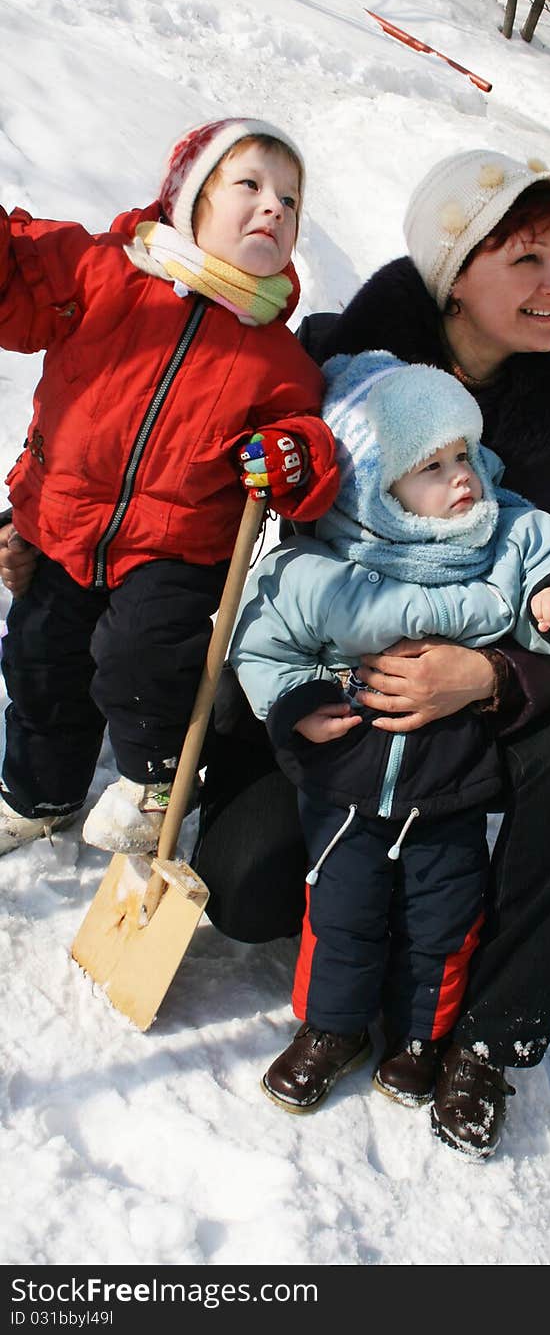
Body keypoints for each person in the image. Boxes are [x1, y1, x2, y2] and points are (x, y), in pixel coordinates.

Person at [192, 147, 550, 1159]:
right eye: (525, 258)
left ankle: (487, 1034)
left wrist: (492, 676)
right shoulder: (341, 359)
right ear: (453, 270)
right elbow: (193, 468)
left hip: (473, 696)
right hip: (340, 673)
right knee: (245, 885)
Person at [229, 350, 550, 1140]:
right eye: (430, 467)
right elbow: (260, 642)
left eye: (463, 453)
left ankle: (422, 1036)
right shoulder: (323, 567)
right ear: (377, 485)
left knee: (446, 915)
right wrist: (295, 702)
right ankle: (330, 1028)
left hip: (452, 784)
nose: (461, 477)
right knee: (343, 911)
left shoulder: (504, 535)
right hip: (350, 784)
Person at [0, 117, 339, 858]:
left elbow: (308, 442)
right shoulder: (101, 271)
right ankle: (41, 792)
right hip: (64, 522)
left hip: (178, 552)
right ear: (189, 197)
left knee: (144, 658)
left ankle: (156, 782)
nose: (274, 207)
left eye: (289, 199)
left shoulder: (274, 352)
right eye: (249, 184)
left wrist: (289, 456)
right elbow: (16, 283)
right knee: (38, 660)